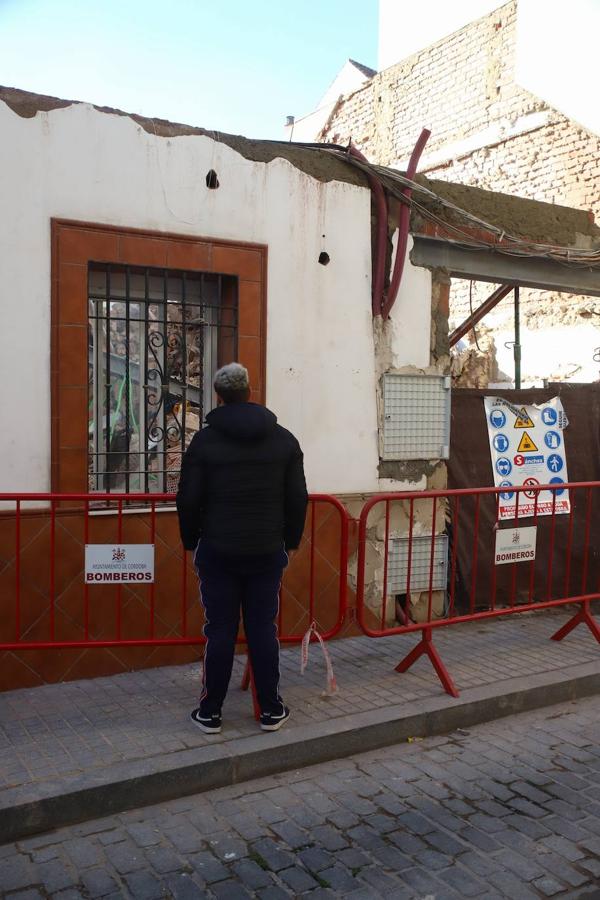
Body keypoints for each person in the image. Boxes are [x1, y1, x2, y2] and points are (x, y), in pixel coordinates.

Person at [176, 363, 308, 734]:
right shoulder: (284, 439)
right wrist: (292, 541)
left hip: (217, 551)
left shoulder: (204, 442)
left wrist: (190, 542)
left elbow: (188, 498)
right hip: (266, 550)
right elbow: (297, 497)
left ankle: (210, 713)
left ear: (219, 396)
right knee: (262, 629)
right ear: (250, 391)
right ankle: (271, 710)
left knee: (219, 630)